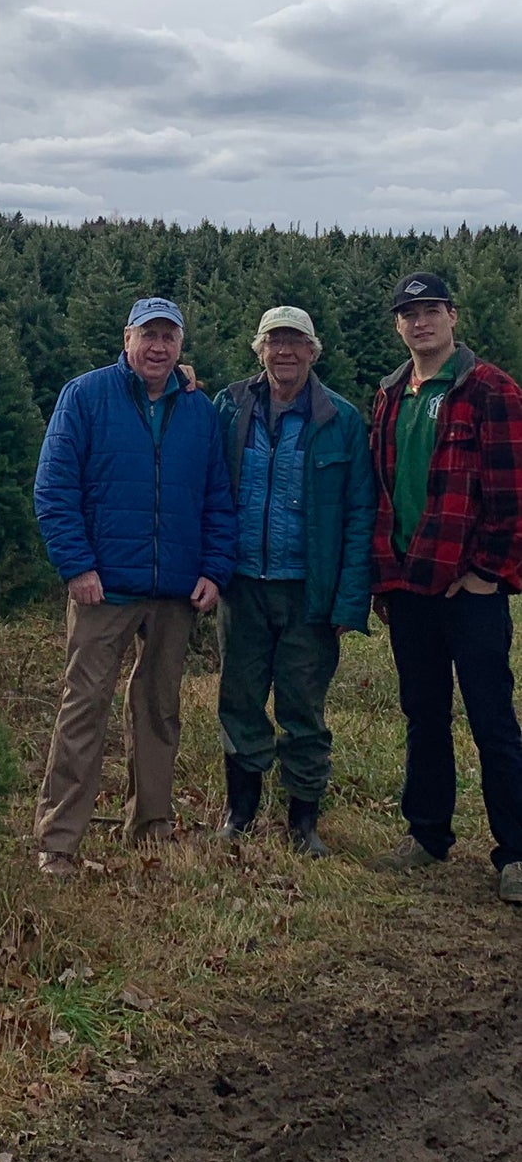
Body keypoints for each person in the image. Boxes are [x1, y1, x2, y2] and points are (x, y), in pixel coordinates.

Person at [32, 297, 237, 876]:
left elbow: (217, 497)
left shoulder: (198, 412)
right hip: (104, 588)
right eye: (148, 335)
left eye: (169, 338)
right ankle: (60, 840)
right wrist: (76, 567)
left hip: (174, 591)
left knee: (159, 709)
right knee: (83, 708)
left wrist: (214, 569)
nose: (158, 348)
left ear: (180, 347)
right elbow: (54, 487)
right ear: (127, 340)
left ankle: (151, 825)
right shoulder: (86, 396)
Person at [371, 272, 522, 903]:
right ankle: (428, 834)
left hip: (470, 593)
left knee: (493, 720)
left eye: (431, 310)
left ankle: (515, 853)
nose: (420, 322)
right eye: (409, 313)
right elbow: (379, 489)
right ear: (398, 325)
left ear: (452, 317)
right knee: (423, 714)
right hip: (410, 584)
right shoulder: (388, 393)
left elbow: (513, 495)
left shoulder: (489, 389)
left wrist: (488, 572)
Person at [212, 307, 374, 856]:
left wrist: (349, 602)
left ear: (313, 351)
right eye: (274, 341)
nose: (285, 352)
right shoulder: (230, 407)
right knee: (239, 699)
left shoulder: (341, 421)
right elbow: (205, 490)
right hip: (242, 587)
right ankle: (241, 812)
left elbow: (359, 514)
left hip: (309, 591)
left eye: (295, 342)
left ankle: (303, 821)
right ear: (259, 349)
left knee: (303, 707)